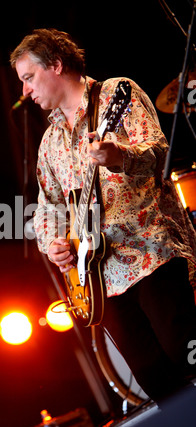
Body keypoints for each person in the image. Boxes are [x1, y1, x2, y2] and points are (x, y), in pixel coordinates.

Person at [10, 28, 196, 402]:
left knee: (185, 351)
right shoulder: (49, 143)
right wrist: (54, 243)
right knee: (154, 381)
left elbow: (159, 153)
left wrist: (119, 157)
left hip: (150, 252)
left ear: (56, 65)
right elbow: (47, 209)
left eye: (29, 78)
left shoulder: (116, 93)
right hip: (100, 281)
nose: (25, 91)